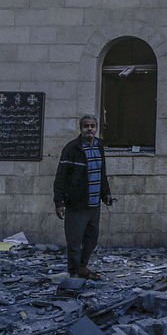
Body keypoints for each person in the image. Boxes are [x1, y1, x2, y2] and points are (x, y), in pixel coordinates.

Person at [53, 114, 114, 279]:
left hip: (94, 204)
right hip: (77, 205)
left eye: (92, 126)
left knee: (91, 239)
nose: (90, 129)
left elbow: (102, 172)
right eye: (86, 126)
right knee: (74, 242)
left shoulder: (99, 146)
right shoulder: (72, 148)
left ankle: (82, 266)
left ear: (96, 128)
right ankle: (73, 273)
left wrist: (106, 193)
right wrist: (59, 202)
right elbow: (61, 177)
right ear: (81, 129)